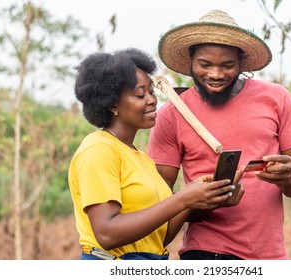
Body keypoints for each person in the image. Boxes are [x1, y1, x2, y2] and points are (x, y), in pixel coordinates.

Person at [147, 10, 291, 260]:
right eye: (204, 65)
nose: (215, 75)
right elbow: (158, 205)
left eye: (227, 65)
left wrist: (288, 177)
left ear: (242, 62)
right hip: (205, 254)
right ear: (190, 59)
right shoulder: (172, 114)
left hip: (270, 255)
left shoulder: (276, 98)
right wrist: (203, 201)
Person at [68, 48, 236, 260]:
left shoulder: (141, 158)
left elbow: (158, 237)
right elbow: (107, 233)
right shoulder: (99, 150)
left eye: (151, 91)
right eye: (140, 94)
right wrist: (181, 200)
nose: (152, 100)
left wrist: (195, 197)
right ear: (112, 104)